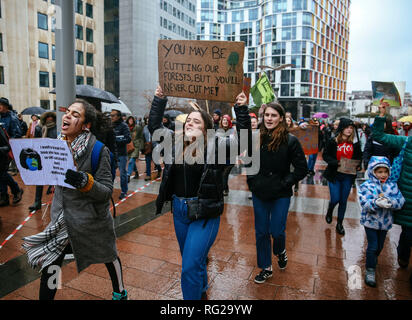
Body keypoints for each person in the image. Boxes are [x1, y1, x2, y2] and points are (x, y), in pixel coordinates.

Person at [149, 85, 250, 300]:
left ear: (206, 128)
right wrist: (159, 99)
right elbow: (154, 126)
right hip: (179, 211)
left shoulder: (216, 145)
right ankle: (202, 288)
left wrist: (240, 110)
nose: (190, 123)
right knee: (192, 260)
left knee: (189, 266)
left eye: (196, 121)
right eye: (188, 121)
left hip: (204, 213)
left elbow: (243, 140)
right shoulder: (174, 143)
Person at [22, 99, 127, 300]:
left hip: (91, 221)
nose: (67, 116)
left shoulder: (98, 150)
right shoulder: (54, 146)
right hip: (62, 223)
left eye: (75, 114)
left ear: (86, 125)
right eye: (67, 112)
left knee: (109, 257)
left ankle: (120, 292)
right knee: (51, 267)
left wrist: (84, 182)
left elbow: (106, 190)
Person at [247, 102, 308, 284]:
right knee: (261, 232)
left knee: (277, 231)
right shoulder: (256, 137)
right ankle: (266, 267)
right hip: (260, 192)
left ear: (281, 118)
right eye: (267, 115)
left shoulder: (291, 140)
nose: (269, 119)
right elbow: (250, 162)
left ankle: (280, 251)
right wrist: (252, 182)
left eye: (273, 115)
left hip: (280, 193)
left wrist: (286, 182)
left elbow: (301, 169)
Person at [372, 101, 412, 289]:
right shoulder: (406, 142)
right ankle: (403, 256)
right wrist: (381, 115)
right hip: (406, 199)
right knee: (408, 234)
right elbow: (378, 135)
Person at [358, 156, 405, 287]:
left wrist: (391, 203)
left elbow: (401, 201)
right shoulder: (367, 186)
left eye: (385, 172)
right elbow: (364, 203)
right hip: (370, 222)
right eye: (379, 172)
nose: (382, 175)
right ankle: (370, 270)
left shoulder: (392, 186)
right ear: (373, 172)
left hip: (385, 223)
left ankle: (373, 259)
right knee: (372, 246)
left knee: (379, 247)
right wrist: (375, 202)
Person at [323, 118, 362, 235]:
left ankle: (340, 223)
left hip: (348, 176)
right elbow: (326, 155)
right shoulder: (333, 141)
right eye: (347, 128)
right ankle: (330, 209)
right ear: (342, 128)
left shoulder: (355, 143)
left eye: (351, 128)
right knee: (335, 198)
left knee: (343, 201)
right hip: (334, 174)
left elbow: (359, 156)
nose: (349, 130)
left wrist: (358, 165)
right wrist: (335, 162)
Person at [28, 111, 58, 211]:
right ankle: (37, 201)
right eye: (48, 119)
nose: (49, 121)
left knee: (57, 179)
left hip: (54, 156)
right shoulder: (39, 128)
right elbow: (36, 142)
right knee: (39, 179)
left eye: (51, 119)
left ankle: (58, 201)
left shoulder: (58, 128)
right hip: (41, 156)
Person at [110, 109, 131, 199]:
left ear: (118, 116)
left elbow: (128, 139)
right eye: (110, 115)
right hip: (112, 153)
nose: (111, 117)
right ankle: (109, 190)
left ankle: (124, 191)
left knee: (123, 173)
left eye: (113, 115)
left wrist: (117, 140)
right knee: (110, 173)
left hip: (122, 154)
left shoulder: (124, 126)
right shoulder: (110, 126)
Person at [217, 114, 235, 196]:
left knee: (224, 174)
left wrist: (223, 139)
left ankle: (225, 189)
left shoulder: (232, 131)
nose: (225, 121)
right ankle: (222, 188)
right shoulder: (218, 130)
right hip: (220, 157)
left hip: (230, 158)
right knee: (220, 174)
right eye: (223, 120)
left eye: (226, 120)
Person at [142, 116, 162, 181]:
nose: (148, 121)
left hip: (155, 145)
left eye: (149, 120)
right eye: (147, 120)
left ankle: (159, 169)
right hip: (147, 146)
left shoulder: (155, 127)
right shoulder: (145, 128)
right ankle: (148, 175)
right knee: (147, 161)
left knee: (155, 161)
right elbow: (143, 137)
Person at [126, 116, 144, 181]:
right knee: (132, 161)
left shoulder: (138, 128)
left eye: (132, 120)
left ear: (133, 121)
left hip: (136, 146)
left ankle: (128, 175)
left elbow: (141, 137)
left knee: (131, 160)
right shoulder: (126, 128)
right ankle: (136, 172)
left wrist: (141, 147)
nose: (130, 121)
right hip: (128, 146)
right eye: (129, 120)